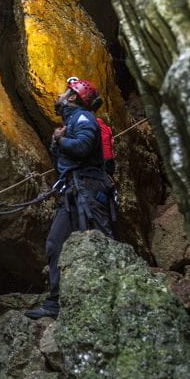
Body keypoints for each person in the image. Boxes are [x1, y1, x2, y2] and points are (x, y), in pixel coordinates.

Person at [25, 77, 115, 320]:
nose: (58, 97)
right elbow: (65, 156)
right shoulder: (71, 121)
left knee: (100, 242)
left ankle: (113, 299)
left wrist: (59, 140)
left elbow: (83, 147)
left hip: (88, 191)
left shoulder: (84, 118)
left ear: (73, 97)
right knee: (55, 244)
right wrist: (58, 141)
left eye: (63, 93)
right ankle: (55, 302)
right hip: (72, 193)